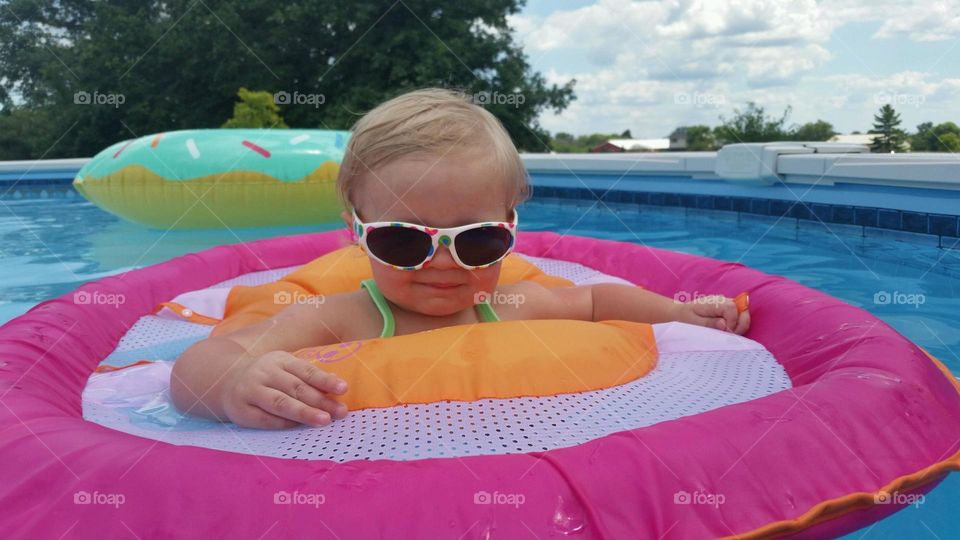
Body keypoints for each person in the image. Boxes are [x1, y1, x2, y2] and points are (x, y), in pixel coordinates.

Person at [170, 88, 750, 429]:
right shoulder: (339, 319)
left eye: (476, 240)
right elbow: (204, 359)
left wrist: (678, 312)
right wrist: (231, 385)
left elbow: (597, 300)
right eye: (403, 241)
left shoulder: (510, 304)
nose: (442, 263)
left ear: (510, 229)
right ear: (355, 231)